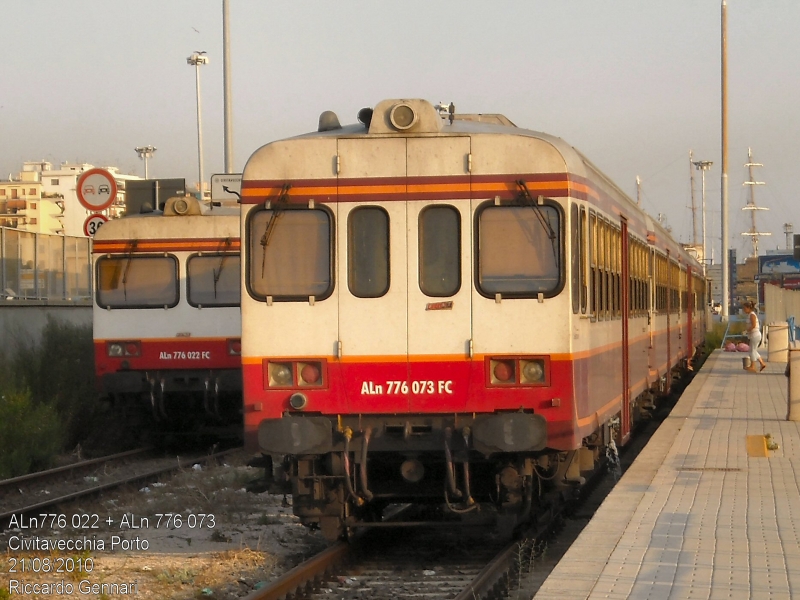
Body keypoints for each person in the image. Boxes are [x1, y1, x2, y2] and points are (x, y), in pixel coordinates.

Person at [743, 301, 767, 372]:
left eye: (744, 308)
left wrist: (746, 331)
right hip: (753, 335)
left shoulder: (752, 315)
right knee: (753, 350)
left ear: (748, 308)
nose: (744, 310)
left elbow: (753, 325)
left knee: (752, 351)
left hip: (755, 335)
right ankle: (762, 363)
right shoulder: (750, 315)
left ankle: (753, 366)